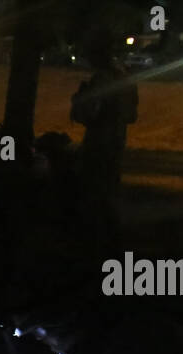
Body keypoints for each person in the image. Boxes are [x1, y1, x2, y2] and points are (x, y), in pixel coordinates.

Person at [70, 31, 138, 247]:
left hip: (99, 141)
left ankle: (95, 243)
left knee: (93, 192)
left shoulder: (102, 79)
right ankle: (111, 240)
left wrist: (79, 100)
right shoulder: (125, 76)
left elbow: (88, 113)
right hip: (117, 139)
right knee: (109, 191)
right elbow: (131, 115)